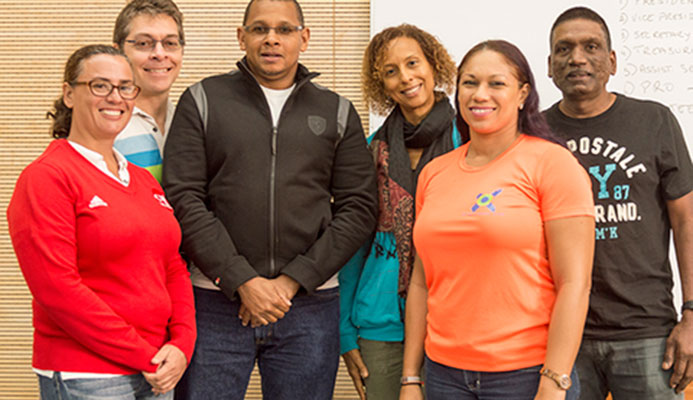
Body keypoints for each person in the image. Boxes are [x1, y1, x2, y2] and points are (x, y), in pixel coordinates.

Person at [161, 0, 378, 399]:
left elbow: (359, 207)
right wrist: (241, 279)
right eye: (259, 29)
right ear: (241, 37)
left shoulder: (337, 111)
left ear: (305, 37)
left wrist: (294, 280)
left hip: (309, 306)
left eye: (285, 29)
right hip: (214, 302)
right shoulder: (203, 101)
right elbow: (183, 197)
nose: (271, 39)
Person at [399, 40, 595, 400]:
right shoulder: (433, 173)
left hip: (525, 376)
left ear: (523, 94)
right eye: (469, 83)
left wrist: (554, 382)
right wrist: (411, 377)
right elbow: (420, 284)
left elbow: (575, 284)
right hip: (443, 375)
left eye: (496, 83)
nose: (480, 94)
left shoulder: (552, 164)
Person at [6, 44, 196, 400]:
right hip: (88, 374)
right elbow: (57, 289)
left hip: (158, 368)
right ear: (69, 94)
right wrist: (143, 355)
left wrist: (182, 344)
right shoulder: (47, 177)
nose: (116, 97)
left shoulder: (143, 180)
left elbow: (172, 266)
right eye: (100, 85)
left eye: (126, 87)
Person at [544, 7, 693, 399]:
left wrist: (692, 314)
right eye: (564, 49)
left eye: (590, 47)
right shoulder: (534, 136)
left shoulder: (655, 121)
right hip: (561, 337)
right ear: (549, 66)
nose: (577, 58)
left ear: (611, 62)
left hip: (646, 333)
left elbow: (687, 224)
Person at [339, 23, 458, 400]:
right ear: (381, 85)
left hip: (456, 320)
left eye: (412, 63)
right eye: (391, 72)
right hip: (382, 323)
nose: (405, 77)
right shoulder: (371, 150)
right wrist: (344, 331)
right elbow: (353, 243)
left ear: (433, 66)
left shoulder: (470, 140)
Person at [113, 0, 185, 181]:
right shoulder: (104, 127)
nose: (159, 54)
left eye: (170, 43)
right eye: (144, 43)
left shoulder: (189, 120)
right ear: (118, 53)